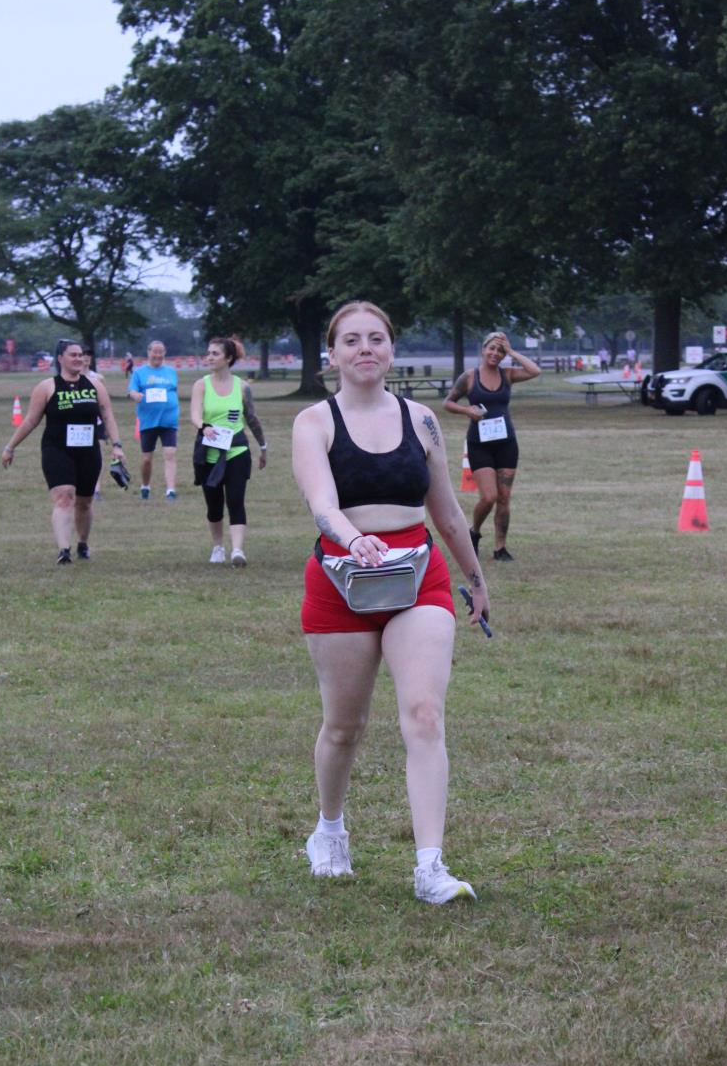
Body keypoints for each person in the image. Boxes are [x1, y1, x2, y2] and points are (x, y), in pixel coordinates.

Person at [292, 300, 489, 904]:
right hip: (342, 578)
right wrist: (355, 540)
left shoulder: (422, 420)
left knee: (425, 714)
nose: (365, 349)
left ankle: (430, 867)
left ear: (392, 349)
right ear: (332, 354)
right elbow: (322, 504)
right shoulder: (314, 422)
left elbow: (447, 512)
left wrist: (476, 578)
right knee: (344, 727)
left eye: (376, 338)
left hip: (418, 577)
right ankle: (329, 832)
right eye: (351, 340)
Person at [1, 339, 127, 564]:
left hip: (88, 451)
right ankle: (64, 550)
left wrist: (117, 446)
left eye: (80, 355)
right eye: (73, 355)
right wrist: (10, 447)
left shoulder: (95, 385)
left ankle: (83, 544)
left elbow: (108, 416)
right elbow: (30, 420)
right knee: (64, 497)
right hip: (57, 450)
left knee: (84, 502)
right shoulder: (47, 387)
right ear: (60, 358)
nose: (79, 359)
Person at [443, 330, 540, 562]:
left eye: (500, 351)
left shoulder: (508, 374)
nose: (495, 354)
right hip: (480, 444)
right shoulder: (469, 377)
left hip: (506, 444)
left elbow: (535, 371)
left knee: (504, 498)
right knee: (489, 497)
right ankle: (474, 532)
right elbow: (448, 403)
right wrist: (467, 410)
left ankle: (500, 548)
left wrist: (512, 351)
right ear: (483, 350)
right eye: (492, 348)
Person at [190, 337, 267, 566]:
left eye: (215, 353)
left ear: (228, 358)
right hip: (209, 452)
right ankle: (218, 547)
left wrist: (263, 446)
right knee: (214, 504)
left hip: (237, 450)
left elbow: (251, 418)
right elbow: (195, 415)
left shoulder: (242, 387)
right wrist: (204, 427)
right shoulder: (201, 385)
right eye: (208, 353)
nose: (209, 357)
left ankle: (237, 551)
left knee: (235, 500)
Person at [129, 339, 180, 501]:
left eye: (161, 352)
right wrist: (135, 395)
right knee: (146, 459)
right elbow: (132, 391)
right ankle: (145, 486)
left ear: (164, 353)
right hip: (148, 421)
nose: (157, 355)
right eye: (154, 352)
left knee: (170, 453)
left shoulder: (171, 372)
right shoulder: (139, 373)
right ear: (148, 352)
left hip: (169, 420)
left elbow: (174, 391)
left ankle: (170, 490)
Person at [79, 349, 106, 499]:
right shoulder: (72, 377)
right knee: (80, 455)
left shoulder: (98, 378)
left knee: (98, 454)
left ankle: (96, 489)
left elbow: (103, 402)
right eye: (83, 355)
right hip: (79, 422)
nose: (86, 358)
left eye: (89, 355)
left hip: (97, 421)